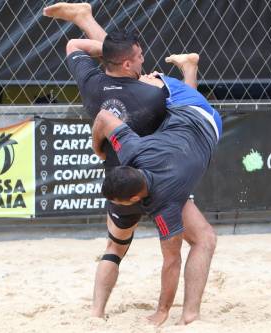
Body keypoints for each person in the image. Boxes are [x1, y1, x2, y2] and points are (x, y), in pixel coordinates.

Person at [43, 3, 217, 325]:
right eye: (136, 58)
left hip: (118, 182)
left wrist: (98, 149)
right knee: (202, 240)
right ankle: (188, 315)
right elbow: (186, 108)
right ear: (127, 63)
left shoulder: (92, 83)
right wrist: (180, 77)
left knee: (115, 246)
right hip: (155, 178)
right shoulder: (151, 92)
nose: (142, 60)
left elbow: (74, 46)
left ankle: (96, 313)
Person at [93, 64, 222, 325]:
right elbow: (104, 118)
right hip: (187, 125)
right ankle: (190, 315)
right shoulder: (135, 151)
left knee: (143, 77)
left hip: (195, 110)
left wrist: (162, 311)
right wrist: (98, 149)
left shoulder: (167, 206)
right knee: (204, 238)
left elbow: (171, 262)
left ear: (133, 200)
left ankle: (189, 68)